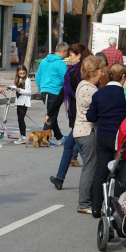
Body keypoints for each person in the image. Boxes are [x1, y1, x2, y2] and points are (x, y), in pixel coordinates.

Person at [86, 64, 126, 217]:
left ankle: (96, 207)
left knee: (100, 171)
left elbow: (90, 116)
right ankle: (117, 208)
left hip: (102, 137)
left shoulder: (99, 94)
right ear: (123, 77)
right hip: (121, 139)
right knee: (122, 172)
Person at [48, 43, 92, 189]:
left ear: (79, 56)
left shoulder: (75, 73)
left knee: (83, 151)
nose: (69, 58)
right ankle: (59, 179)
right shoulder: (83, 71)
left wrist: (50, 112)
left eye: (72, 55)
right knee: (69, 145)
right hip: (80, 115)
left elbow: (62, 93)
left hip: (79, 116)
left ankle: (94, 179)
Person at [73, 56, 105, 213]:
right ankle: (84, 203)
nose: (102, 74)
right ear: (92, 72)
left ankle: (87, 201)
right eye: (100, 71)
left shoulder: (84, 85)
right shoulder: (89, 89)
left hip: (83, 131)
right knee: (90, 166)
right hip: (87, 131)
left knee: (90, 165)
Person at [36, 42, 69, 145]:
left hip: (44, 92)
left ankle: (59, 137)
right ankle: (44, 138)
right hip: (55, 92)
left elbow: (38, 77)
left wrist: (41, 88)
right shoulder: (61, 64)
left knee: (52, 114)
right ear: (63, 51)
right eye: (66, 53)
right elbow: (65, 80)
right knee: (51, 116)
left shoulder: (44, 61)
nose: (67, 55)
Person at [13, 65, 32, 145]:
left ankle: (23, 136)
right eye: (20, 73)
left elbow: (29, 92)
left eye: (23, 73)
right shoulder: (18, 80)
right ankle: (22, 135)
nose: (22, 75)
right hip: (19, 102)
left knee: (21, 118)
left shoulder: (27, 80)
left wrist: (19, 90)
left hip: (25, 102)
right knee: (19, 119)